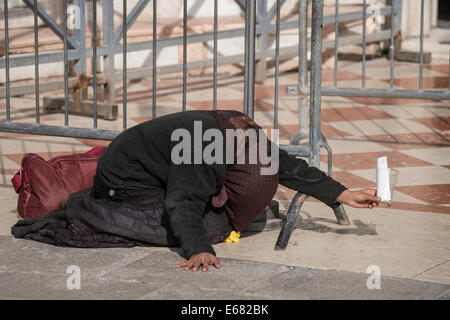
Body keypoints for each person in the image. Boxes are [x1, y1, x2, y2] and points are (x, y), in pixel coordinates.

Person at [12, 110, 380, 272]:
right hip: (126, 185)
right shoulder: (204, 148)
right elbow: (183, 199)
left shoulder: (240, 131)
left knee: (217, 219)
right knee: (200, 225)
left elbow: (287, 165)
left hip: (155, 167)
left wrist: (342, 193)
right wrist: (198, 247)